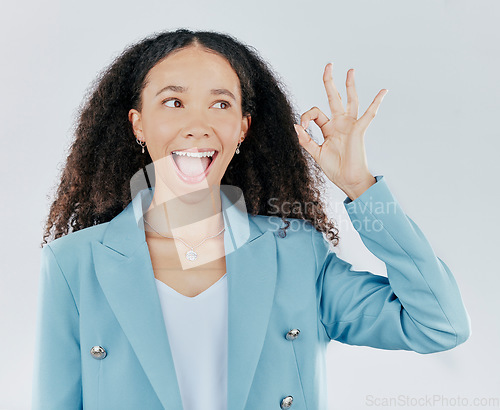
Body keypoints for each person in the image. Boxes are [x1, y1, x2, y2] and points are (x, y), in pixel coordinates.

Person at [32, 28, 471, 410]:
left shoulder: (297, 254)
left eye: (220, 105)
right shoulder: (73, 264)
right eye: (174, 102)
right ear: (138, 124)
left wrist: (360, 187)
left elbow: (439, 325)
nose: (198, 125)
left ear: (242, 128)